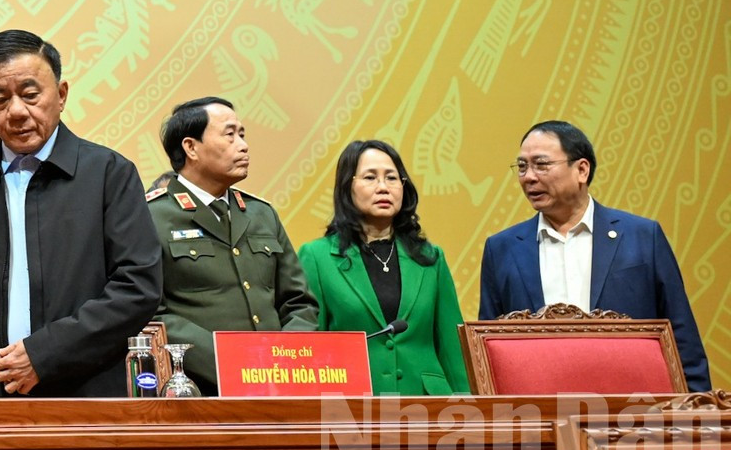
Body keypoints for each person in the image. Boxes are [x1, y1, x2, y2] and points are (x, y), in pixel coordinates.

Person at [0, 31, 160, 398]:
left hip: (85, 396)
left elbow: (137, 287)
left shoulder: (108, 173)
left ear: (61, 94)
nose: (16, 111)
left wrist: (44, 353)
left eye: (30, 94)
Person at [478, 120, 710, 391]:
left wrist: (698, 407)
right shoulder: (502, 249)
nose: (529, 177)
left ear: (581, 170)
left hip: (631, 403)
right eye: (522, 166)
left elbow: (681, 335)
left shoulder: (643, 237)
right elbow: (488, 348)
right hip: (538, 406)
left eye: (541, 165)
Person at [147, 96, 317, 394]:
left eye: (242, 134)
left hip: (278, 386)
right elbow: (151, 314)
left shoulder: (261, 214)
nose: (243, 145)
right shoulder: (151, 216)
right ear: (191, 147)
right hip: (199, 389)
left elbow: (299, 303)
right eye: (230, 135)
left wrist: (287, 359)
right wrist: (231, 362)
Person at [298, 139, 468, 395]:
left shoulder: (431, 258)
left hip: (427, 404)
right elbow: (310, 349)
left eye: (391, 178)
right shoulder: (317, 257)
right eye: (370, 177)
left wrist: (468, 408)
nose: (383, 187)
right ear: (347, 186)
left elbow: (452, 348)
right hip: (354, 403)